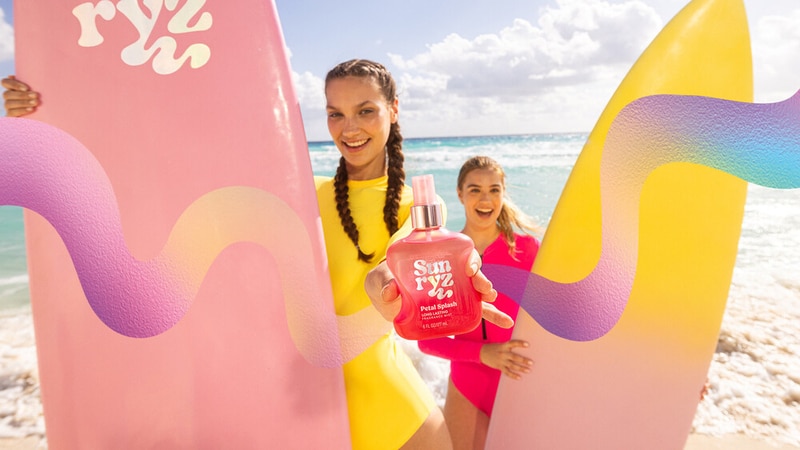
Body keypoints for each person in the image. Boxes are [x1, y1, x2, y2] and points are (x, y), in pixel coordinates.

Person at [3, 60, 509, 449]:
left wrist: (391, 290)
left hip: (390, 407)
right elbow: (169, 166)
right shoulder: (299, 189)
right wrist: (51, 115)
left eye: (365, 110)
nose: (348, 127)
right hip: (298, 408)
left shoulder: (414, 207)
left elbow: (397, 265)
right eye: (335, 113)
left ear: (393, 110)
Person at [418, 155, 541, 450]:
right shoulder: (443, 256)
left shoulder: (528, 250)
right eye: (475, 189)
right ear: (460, 194)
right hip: (467, 385)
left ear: (503, 193)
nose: (485, 199)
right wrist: (483, 353)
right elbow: (426, 342)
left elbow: (554, 316)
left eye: (494, 190)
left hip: (519, 377)